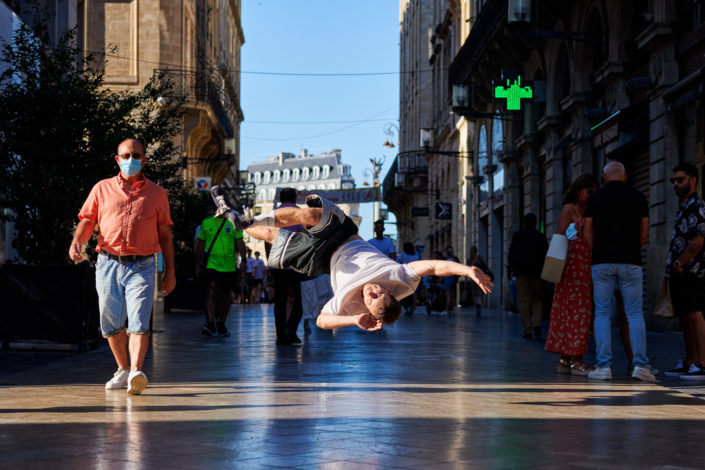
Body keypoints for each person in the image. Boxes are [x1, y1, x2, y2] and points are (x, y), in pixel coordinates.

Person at [210, 186, 493, 330]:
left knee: (275, 239)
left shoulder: (350, 304)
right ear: (391, 293)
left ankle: (238, 223)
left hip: (322, 260)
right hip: (344, 234)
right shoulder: (402, 280)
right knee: (309, 214)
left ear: (369, 309)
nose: (372, 290)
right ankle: (248, 219)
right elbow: (433, 266)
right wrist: (467, 270)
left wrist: (353, 320)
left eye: (371, 297)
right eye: (379, 292)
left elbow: (322, 320)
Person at [69, 138, 175, 395]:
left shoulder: (157, 194)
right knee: (110, 323)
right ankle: (123, 369)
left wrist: (170, 271)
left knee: (139, 320)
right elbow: (87, 220)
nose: (131, 160)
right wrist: (77, 242)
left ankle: (137, 371)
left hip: (143, 264)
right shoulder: (101, 189)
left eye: (136, 155)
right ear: (117, 159)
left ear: (144, 159)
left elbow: (165, 236)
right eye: (125, 155)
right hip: (107, 263)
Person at [583, 162, 656, 382]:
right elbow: (644, 235)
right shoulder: (638, 197)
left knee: (603, 314)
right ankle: (641, 365)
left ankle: (604, 367)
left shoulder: (594, 198)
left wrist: (598, 253)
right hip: (631, 262)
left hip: (602, 262)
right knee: (634, 314)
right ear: (625, 176)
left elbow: (587, 233)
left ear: (604, 177)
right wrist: (631, 249)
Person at [544, 174, 598, 375]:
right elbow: (560, 235)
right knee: (575, 312)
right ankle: (576, 359)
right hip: (571, 267)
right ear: (578, 191)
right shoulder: (570, 209)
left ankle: (565, 358)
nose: (592, 195)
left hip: (586, 267)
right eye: (589, 191)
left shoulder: (591, 210)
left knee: (580, 312)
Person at [664, 163, 705, 379]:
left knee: (695, 314)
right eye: (673, 180)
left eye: (680, 180)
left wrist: (680, 262)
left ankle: (702, 363)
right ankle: (690, 361)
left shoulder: (696, 205)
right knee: (686, 317)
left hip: (692, 271)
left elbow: (698, 239)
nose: (675, 184)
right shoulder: (685, 205)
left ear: (693, 180)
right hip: (680, 271)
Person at [194, 208, 247, 337]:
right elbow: (200, 244)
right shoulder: (207, 223)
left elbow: (240, 242)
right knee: (211, 289)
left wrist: (244, 261)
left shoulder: (233, 223)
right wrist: (197, 265)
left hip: (229, 265)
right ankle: (210, 323)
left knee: (225, 294)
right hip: (211, 264)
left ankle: (222, 323)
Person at [269, 187, 309, 345]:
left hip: (277, 261)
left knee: (280, 299)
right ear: (295, 198)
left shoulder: (273, 215)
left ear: (280, 198)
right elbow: (306, 237)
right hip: (296, 262)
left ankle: (280, 334)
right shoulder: (300, 214)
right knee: (299, 298)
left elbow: (268, 239)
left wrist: (269, 259)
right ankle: (291, 330)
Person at [508, 213, 548, 339]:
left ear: (524, 223)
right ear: (536, 223)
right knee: (537, 299)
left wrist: (512, 268)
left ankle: (527, 329)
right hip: (537, 272)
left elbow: (511, 253)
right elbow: (545, 255)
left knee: (524, 300)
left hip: (521, 272)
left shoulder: (518, 235)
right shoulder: (541, 237)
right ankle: (537, 324)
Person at [397, 242, 421, 315]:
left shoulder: (401, 255)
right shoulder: (416, 256)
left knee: (404, 293)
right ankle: (411, 307)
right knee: (412, 293)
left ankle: (406, 307)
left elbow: (397, 264)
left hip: (404, 277)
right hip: (414, 276)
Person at [467, 246, 489, 317]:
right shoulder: (480, 257)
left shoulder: (469, 259)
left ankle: (476, 303)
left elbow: (466, 269)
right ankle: (479, 303)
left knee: (474, 293)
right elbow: (486, 266)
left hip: (472, 278)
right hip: (480, 277)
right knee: (479, 292)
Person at [442, 246, 460, 315]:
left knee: (448, 295)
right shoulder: (453, 260)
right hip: (452, 278)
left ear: (447, 254)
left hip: (447, 278)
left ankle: (447, 309)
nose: (444, 254)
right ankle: (451, 309)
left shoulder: (447, 261)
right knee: (451, 294)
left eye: (445, 253)